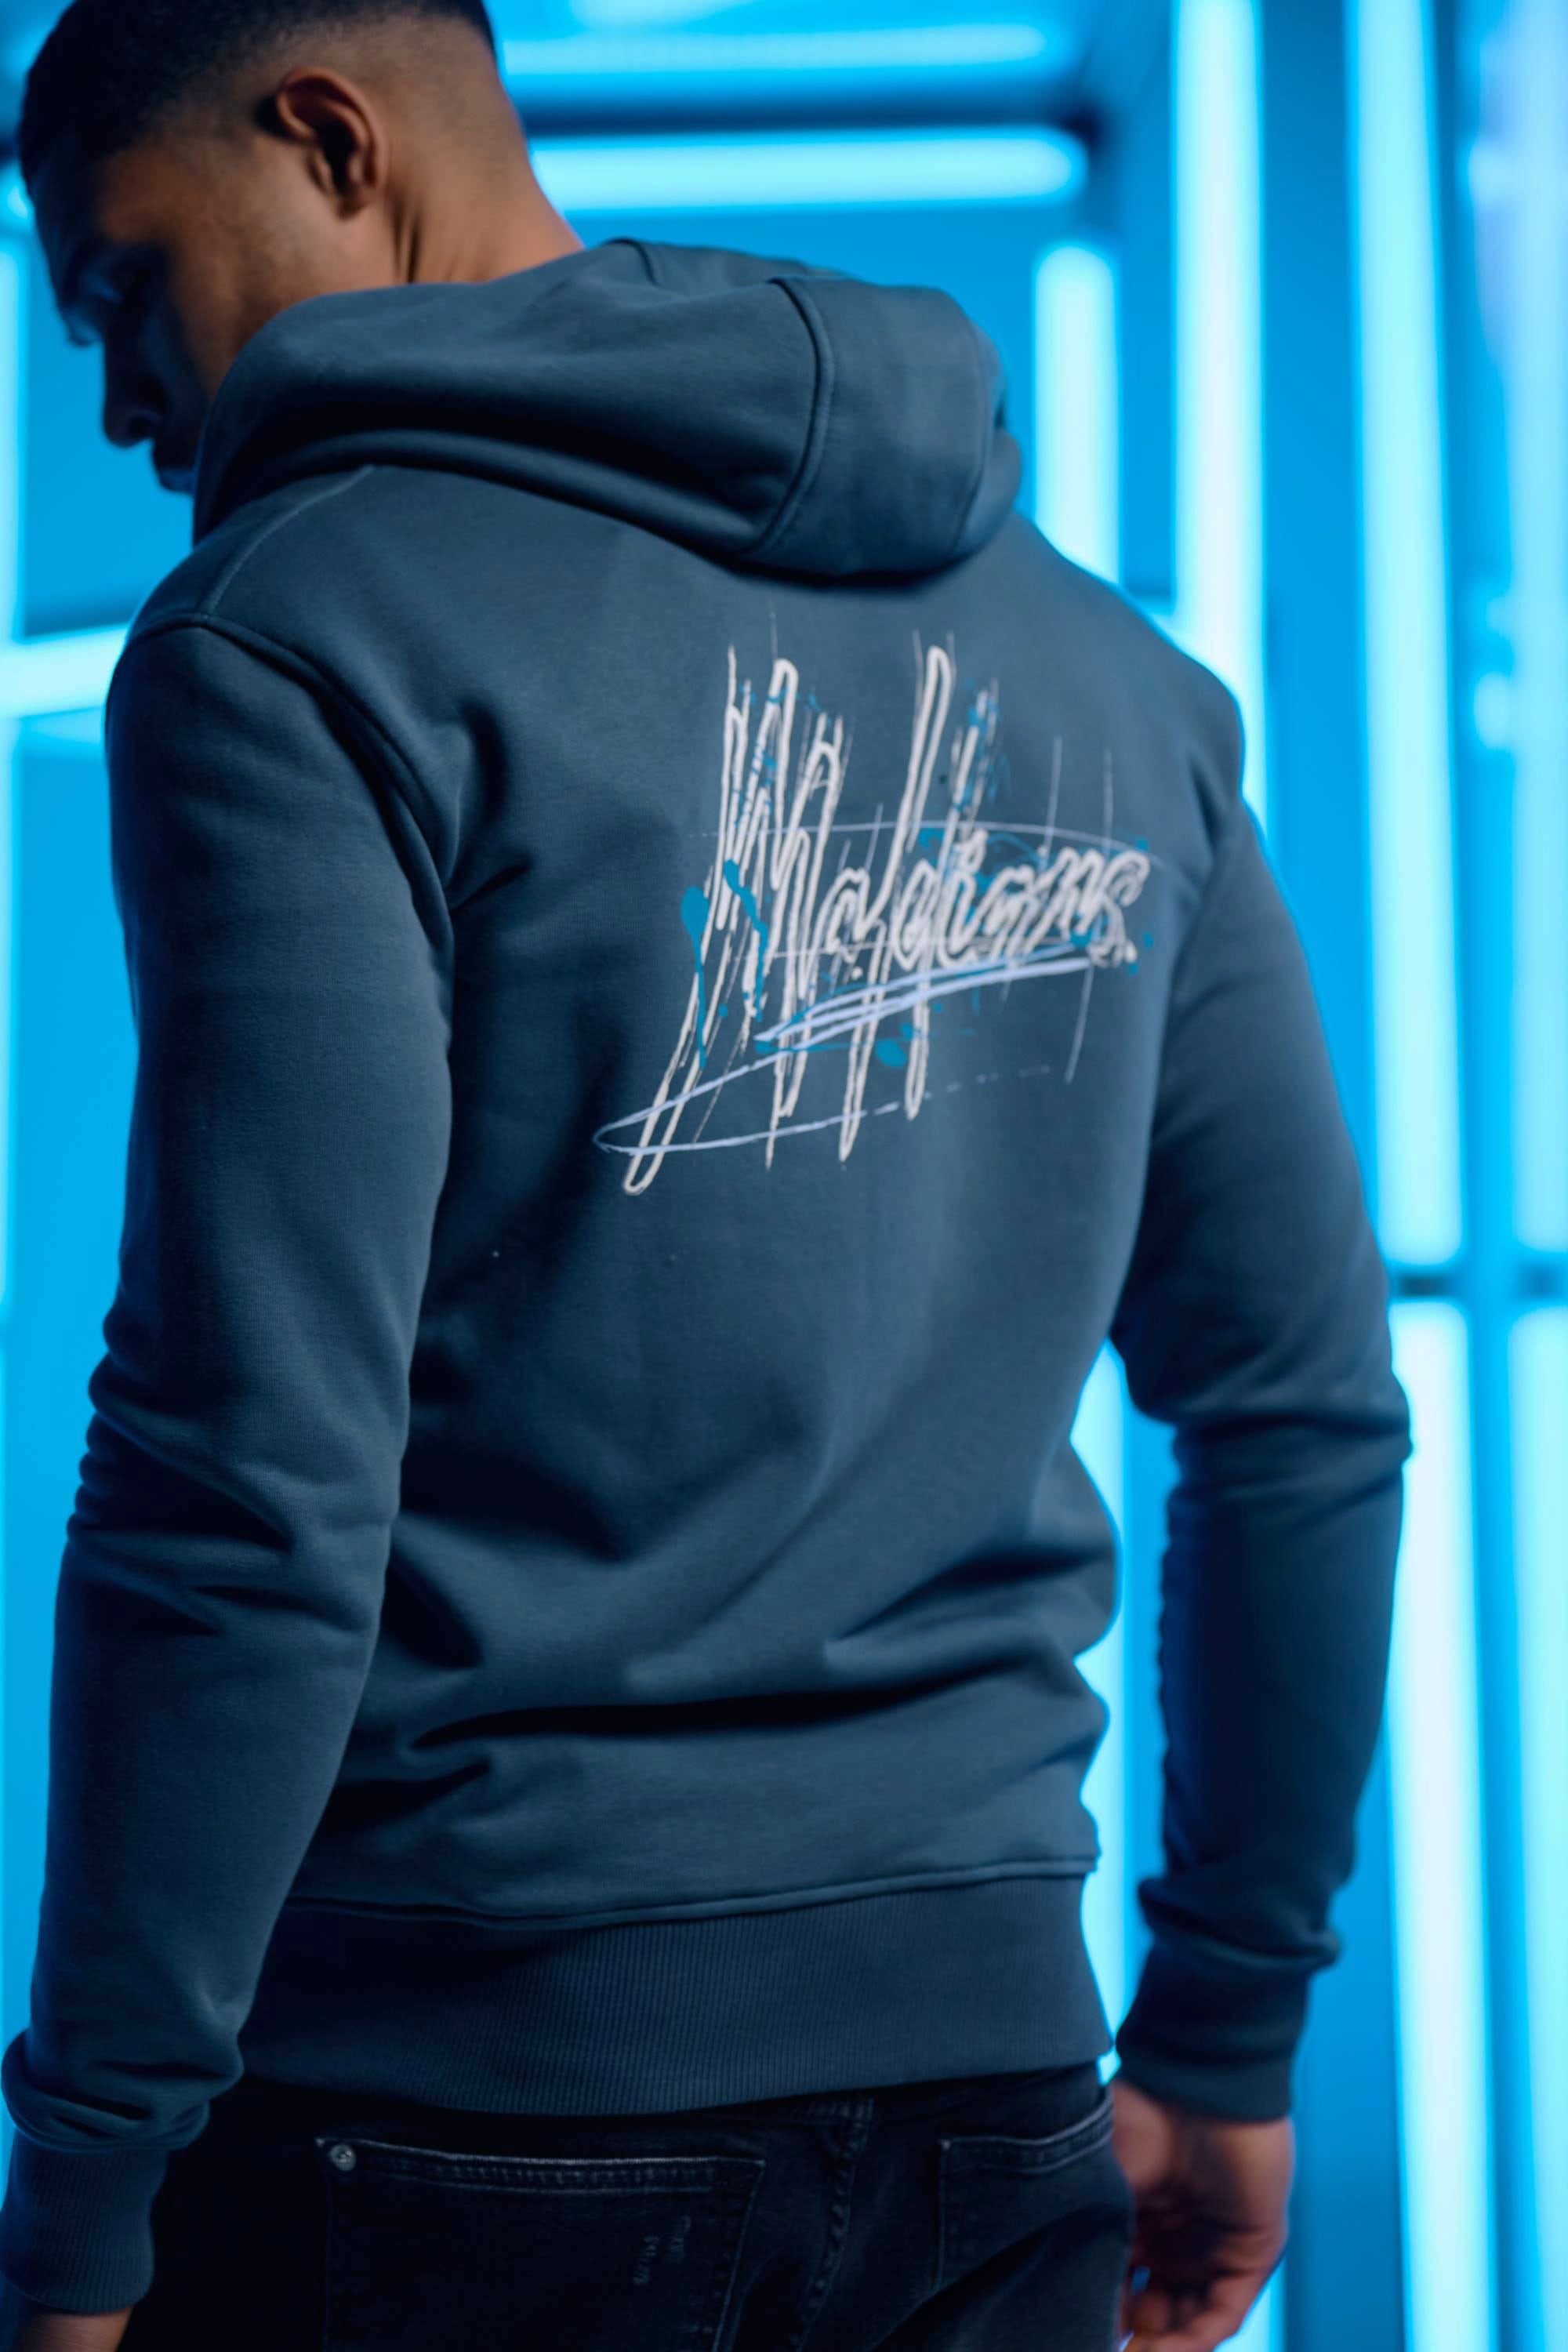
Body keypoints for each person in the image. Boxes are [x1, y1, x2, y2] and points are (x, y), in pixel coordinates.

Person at [0, 3, 1411, 2348]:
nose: (125, 404)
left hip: (447, 2123)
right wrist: (1227, 2028)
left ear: (327, 136)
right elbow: (1304, 1411)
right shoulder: (1116, 685)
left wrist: (83, 2192)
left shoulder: (299, 637)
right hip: (993, 2116)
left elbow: (248, 1480)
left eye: (123, 289)